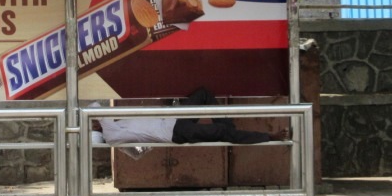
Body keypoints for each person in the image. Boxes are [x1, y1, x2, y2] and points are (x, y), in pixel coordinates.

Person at [95, 87, 290, 145]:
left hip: (175, 119)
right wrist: (93, 120)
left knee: (203, 94)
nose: (98, 120)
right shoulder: (111, 135)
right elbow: (96, 109)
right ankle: (268, 136)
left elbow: (137, 150)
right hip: (177, 132)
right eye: (94, 121)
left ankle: (230, 130)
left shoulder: (116, 123)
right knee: (222, 131)